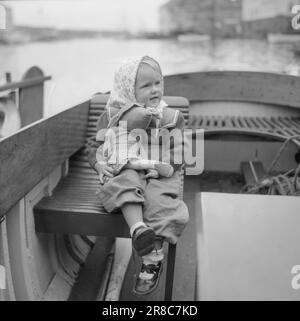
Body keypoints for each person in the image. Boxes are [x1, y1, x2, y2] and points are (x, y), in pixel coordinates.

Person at [86, 55, 189, 295]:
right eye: (146, 86)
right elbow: (95, 144)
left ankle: (151, 260)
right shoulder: (113, 114)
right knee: (123, 182)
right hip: (128, 167)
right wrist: (100, 165)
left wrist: (169, 166)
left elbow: (181, 149)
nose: (155, 90)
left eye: (158, 83)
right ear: (128, 89)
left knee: (160, 201)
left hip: (159, 172)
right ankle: (139, 229)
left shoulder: (170, 117)